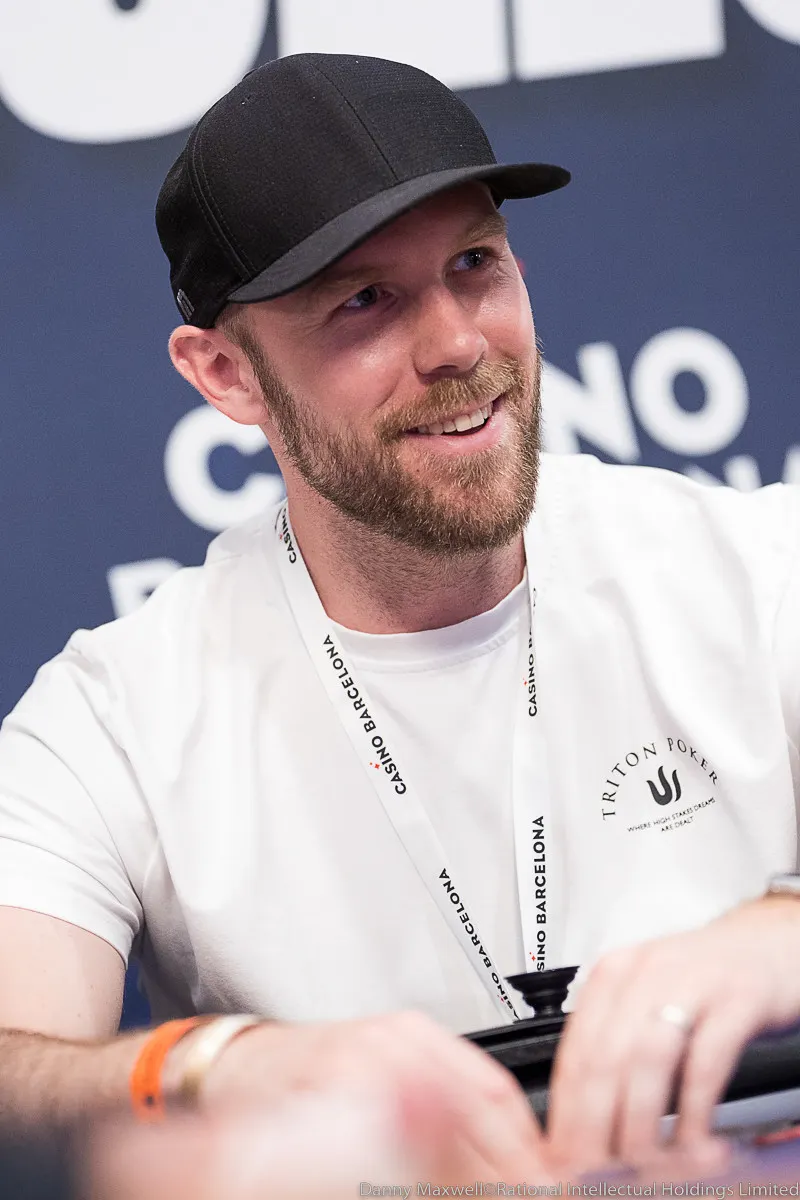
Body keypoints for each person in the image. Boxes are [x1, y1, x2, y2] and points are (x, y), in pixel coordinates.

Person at [0, 51, 797, 1174]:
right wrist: (215, 1064)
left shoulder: (757, 567)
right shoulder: (116, 717)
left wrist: (779, 940)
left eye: (475, 262)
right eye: (363, 301)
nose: (458, 345)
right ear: (226, 374)